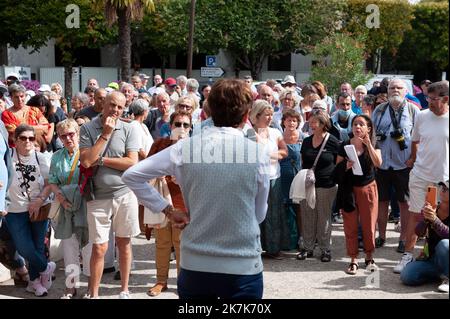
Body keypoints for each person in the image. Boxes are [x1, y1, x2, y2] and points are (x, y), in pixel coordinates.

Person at [123, 78, 270, 299]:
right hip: (242, 264)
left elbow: (132, 175)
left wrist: (168, 210)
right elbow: (258, 214)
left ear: (208, 110)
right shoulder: (257, 153)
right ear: (246, 113)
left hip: (197, 262)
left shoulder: (185, 148)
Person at [79, 91, 140, 299]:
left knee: (124, 243)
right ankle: (93, 293)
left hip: (125, 194)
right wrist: (105, 134)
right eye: (112, 105)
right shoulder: (87, 128)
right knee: (99, 247)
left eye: (120, 107)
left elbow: (132, 161)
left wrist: (102, 161)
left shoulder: (130, 128)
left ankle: (124, 289)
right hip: (97, 197)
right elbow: (86, 161)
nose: (115, 110)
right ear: (103, 104)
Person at [394, 80, 449, 274]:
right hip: (420, 175)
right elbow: (415, 141)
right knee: (415, 215)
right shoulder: (422, 116)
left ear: (446, 99)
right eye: (428, 98)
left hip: (444, 181)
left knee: (439, 219)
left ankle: (440, 259)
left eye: (433, 99)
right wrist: (415, 160)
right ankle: (407, 254)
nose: (429, 102)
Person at [5, 124, 56, 297]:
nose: (28, 141)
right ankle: (46, 267)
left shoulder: (40, 157)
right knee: (24, 248)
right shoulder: (8, 155)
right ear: (15, 140)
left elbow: (50, 184)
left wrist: (38, 200)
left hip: (39, 208)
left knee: (37, 246)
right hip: (14, 210)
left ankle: (34, 283)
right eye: (23, 138)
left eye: (31, 138)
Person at [146, 110, 191, 297]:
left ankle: (183, 283)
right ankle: (161, 281)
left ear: (190, 129)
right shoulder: (160, 145)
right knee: (162, 242)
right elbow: (145, 169)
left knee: (180, 243)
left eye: (185, 125)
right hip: (162, 200)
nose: (181, 128)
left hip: (184, 201)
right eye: (177, 124)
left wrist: (183, 176)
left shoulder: (195, 148)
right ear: (170, 126)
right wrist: (161, 172)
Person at [371, 79, 420, 252]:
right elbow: (372, 135)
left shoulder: (414, 111)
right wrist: (374, 155)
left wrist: (413, 159)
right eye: (392, 88)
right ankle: (382, 236)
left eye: (399, 88)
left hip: (404, 165)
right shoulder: (379, 110)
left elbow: (419, 139)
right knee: (382, 201)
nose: (395, 90)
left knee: (404, 203)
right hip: (382, 165)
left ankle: (403, 238)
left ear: (406, 91)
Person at [335, 114, 382, 274]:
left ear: (368, 129)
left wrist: (368, 145)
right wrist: (346, 166)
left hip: (368, 188)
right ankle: (353, 259)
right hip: (349, 190)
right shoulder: (345, 145)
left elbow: (378, 163)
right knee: (350, 225)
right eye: (355, 124)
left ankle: (369, 258)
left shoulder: (375, 143)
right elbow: (337, 169)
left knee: (368, 225)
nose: (357, 127)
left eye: (361, 124)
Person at [48, 119, 90, 299]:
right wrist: (62, 199)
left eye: (71, 134)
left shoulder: (87, 152)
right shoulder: (56, 156)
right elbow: (52, 181)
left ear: (78, 133)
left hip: (86, 205)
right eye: (63, 136)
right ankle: (70, 287)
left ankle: (91, 286)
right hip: (66, 207)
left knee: (89, 247)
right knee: (69, 248)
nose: (67, 138)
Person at [297, 110, 339, 262]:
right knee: (308, 215)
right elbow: (303, 162)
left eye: (316, 122)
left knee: (324, 217)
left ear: (323, 124)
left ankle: (325, 249)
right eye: (311, 122)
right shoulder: (307, 141)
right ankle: (307, 248)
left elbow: (339, 162)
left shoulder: (333, 141)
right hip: (308, 184)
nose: (312, 124)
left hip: (327, 184)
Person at [249, 100, 289, 259]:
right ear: (257, 115)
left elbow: (285, 152)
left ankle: (274, 248)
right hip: (254, 178)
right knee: (254, 213)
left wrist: (271, 156)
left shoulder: (275, 132)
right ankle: (255, 248)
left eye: (272, 114)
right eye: (267, 114)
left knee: (273, 213)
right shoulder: (248, 133)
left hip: (273, 177)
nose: (270, 117)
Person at [400, 180, 448, 293]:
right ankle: (442, 274)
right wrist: (425, 220)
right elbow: (419, 232)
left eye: (446, 189)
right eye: (442, 187)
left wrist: (435, 220)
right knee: (407, 276)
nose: (442, 190)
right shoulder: (434, 208)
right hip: (431, 259)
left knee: (444, 244)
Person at [0, 120, 29, 287]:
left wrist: (4, 198)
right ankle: (20, 268)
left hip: (1, 200)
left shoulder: (0, 125)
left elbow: (6, 162)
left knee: (7, 234)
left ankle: (19, 267)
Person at [279, 109, 302, 250]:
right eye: (289, 120)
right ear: (283, 122)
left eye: (294, 120)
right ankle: (286, 239)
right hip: (282, 177)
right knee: (284, 207)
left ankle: (301, 238)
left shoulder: (303, 137)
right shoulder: (278, 137)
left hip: (298, 177)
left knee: (299, 208)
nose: (291, 123)